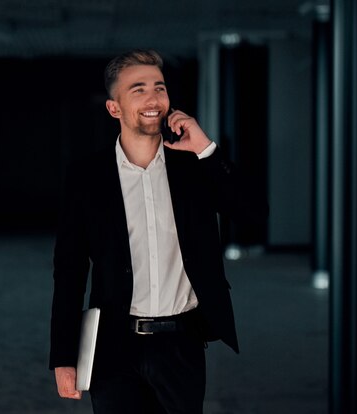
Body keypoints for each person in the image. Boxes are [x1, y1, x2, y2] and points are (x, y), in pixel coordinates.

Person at [49, 49, 267, 414]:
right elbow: (69, 270)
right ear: (114, 108)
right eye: (139, 89)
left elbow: (254, 215)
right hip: (113, 346)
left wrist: (206, 150)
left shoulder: (194, 167)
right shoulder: (87, 177)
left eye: (159, 88)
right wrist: (63, 357)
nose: (154, 99)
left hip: (181, 343)